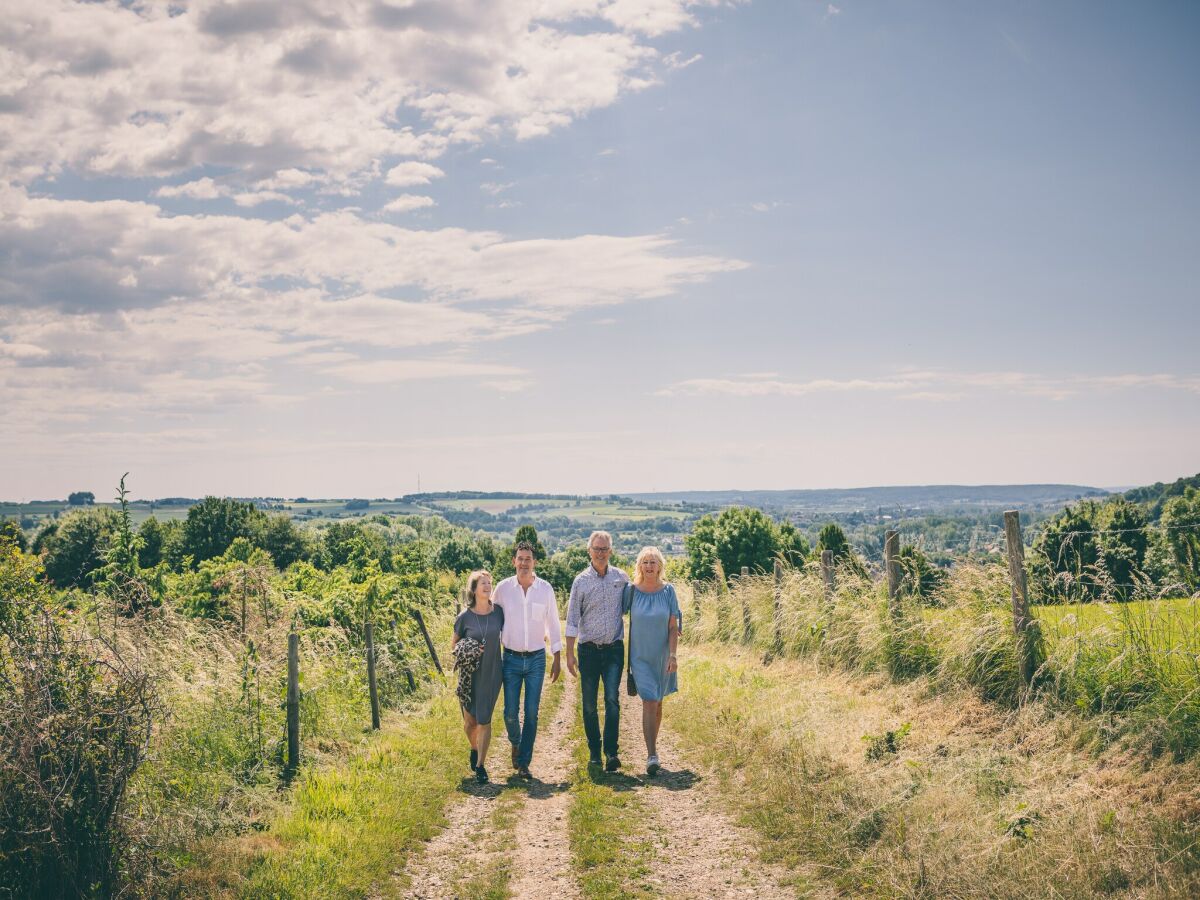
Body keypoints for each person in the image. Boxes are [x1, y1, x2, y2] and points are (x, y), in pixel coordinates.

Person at [492, 541, 562, 779]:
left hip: (536, 659)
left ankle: (523, 762)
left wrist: (557, 656)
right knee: (510, 712)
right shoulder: (502, 589)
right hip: (510, 658)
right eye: (520, 558)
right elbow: (491, 620)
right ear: (514, 561)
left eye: (528, 559)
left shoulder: (545, 589)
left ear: (534, 563)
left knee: (531, 712)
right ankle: (515, 741)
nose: (523, 563)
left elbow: (553, 622)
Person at [565, 531, 628, 771]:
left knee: (612, 700)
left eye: (605, 549)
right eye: (596, 549)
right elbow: (572, 619)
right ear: (589, 551)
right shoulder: (580, 582)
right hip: (588, 651)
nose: (600, 553)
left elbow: (637, 604)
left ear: (610, 551)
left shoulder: (621, 578)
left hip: (613, 650)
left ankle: (611, 752)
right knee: (589, 704)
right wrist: (570, 654)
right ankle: (594, 752)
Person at [624, 545, 680, 776]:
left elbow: (673, 626)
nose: (649, 566)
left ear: (659, 566)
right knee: (649, 701)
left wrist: (673, 656)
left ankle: (652, 750)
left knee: (658, 703)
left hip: (662, 656)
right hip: (640, 657)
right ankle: (652, 755)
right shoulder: (632, 591)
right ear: (639, 566)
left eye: (653, 562)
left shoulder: (669, 592)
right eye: (645, 562)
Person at [452, 570, 504, 784]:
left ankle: (481, 765)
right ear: (474, 590)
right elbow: (453, 647)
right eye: (483, 583)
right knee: (470, 722)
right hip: (469, 676)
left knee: (484, 720)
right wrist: (471, 648)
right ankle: (474, 748)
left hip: (492, 673)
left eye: (489, 583)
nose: (487, 586)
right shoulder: (464, 617)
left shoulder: (498, 612)